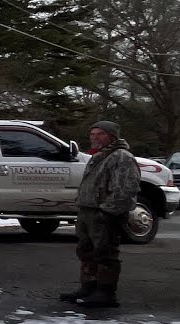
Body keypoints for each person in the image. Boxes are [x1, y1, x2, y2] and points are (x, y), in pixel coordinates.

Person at [59, 120, 141, 308]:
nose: (95, 138)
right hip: (87, 211)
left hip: (104, 213)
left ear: (112, 136)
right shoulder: (99, 156)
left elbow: (127, 188)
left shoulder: (121, 156)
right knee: (86, 251)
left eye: (100, 134)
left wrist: (107, 210)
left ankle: (105, 293)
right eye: (92, 134)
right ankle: (88, 287)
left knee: (105, 252)